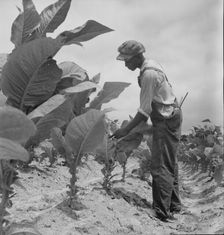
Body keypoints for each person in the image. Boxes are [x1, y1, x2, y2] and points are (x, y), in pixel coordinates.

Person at [112, 40, 183, 222]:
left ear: (137, 57)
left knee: (160, 165)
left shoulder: (148, 74)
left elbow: (143, 113)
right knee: (169, 162)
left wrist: (125, 130)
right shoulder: (151, 65)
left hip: (166, 118)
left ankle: (161, 211)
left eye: (127, 60)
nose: (125, 64)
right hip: (169, 114)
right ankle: (174, 205)